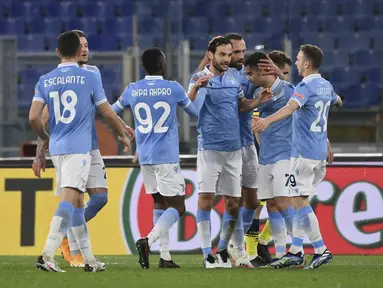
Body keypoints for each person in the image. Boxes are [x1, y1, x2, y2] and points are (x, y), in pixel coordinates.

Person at [32, 29, 134, 268]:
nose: (85, 49)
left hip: (83, 148)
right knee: (71, 199)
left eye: (88, 44)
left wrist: (44, 140)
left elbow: (37, 118)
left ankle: (89, 259)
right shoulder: (85, 78)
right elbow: (106, 111)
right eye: (82, 45)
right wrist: (120, 131)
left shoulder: (71, 75)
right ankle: (49, 253)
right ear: (74, 50)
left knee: (93, 198)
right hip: (77, 148)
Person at [253, 44, 342, 269]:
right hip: (319, 153)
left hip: (303, 154)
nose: (296, 62)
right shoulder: (326, 85)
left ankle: (321, 249)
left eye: (299, 59)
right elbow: (337, 100)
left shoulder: (305, 86)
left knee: (298, 202)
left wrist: (267, 120)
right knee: (300, 201)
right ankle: (295, 251)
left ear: (307, 63)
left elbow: (291, 108)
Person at [112, 47, 199, 269]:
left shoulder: (133, 89)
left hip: (145, 157)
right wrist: (196, 89)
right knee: (178, 207)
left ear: (144, 67)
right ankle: (148, 241)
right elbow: (195, 112)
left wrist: (123, 127)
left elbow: (111, 111)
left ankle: (165, 256)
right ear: (163, 65)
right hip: (167, 157)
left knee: (159, 202)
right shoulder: (173, 88)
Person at [189, 37, 272, 268]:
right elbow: (191, 109)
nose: (227, 59)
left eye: (229, 54)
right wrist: (196, 88)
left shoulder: (235, 77)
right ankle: (207, 253)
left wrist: (257, 101)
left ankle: (223, 249)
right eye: (222, 55)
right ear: (210, 55)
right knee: (205, 200)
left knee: (234, 202)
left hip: (234, 149)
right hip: (209, 149)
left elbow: (241, 106)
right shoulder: (199, 78)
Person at [244, 52, 295, 266]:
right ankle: (282, 254)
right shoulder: (256, 93)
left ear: (262, 69)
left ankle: (299, 248)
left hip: (285, 154)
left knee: (283, 202)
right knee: (272, 204)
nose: (247, 77)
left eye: (250, 73)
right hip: (264, 156)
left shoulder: (290, 91)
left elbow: (309, 111)